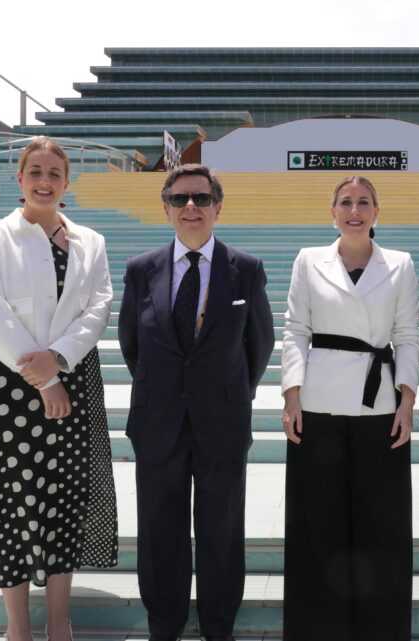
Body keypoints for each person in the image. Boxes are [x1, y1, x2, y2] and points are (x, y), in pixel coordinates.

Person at [0, 137, 118, 641]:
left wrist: (59, 360)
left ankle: (58, 620)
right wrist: (45, 377)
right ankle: (18, 626)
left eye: (54, 172)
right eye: (35, 171)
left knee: (64, 499)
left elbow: (98, 308)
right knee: (9, 501)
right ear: (20, 178)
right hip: (8, 386)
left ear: (67, 182)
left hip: (73, 381)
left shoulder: (90, 241)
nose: (44, 181)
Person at [118, 163, 273, 641]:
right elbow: (132, 344)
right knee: (159, 529)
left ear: (217, 208)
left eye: (201, 198)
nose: (191, 206)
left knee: (221, 530)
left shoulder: (246, 269)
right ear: (165, 208)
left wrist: (230, 393)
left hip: (222, 421)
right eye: (180, 198)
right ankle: (164, 623)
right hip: (158, 421)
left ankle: (217, 625)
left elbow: (260, 344)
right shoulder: (141, 270)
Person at [280, 176, 419, 641]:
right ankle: (316, 629)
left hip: (379, 407)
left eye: (363, 202)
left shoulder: (399, 264)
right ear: (332, 211)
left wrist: (407, 399)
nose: (354, 210)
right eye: (345, 202)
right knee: (316, 522)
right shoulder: (307, 260)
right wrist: (291, 394)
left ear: (377, 211)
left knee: (382, 525)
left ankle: (381, 630)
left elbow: (407, 336)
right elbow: (296, 330)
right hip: (317, 405)